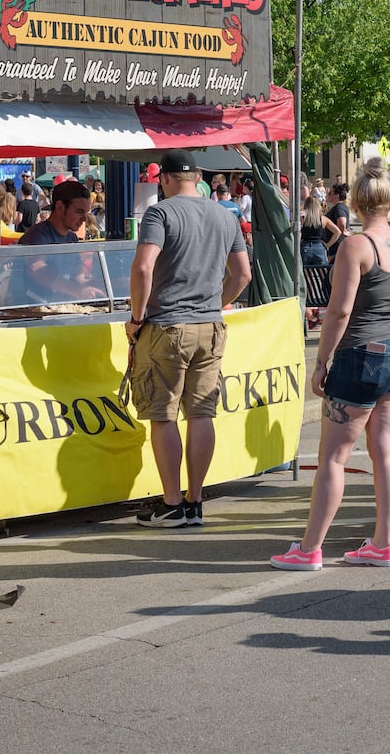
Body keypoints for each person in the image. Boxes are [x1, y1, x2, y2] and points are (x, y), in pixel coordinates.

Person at [271, 159, 390, 570]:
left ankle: (309, 549)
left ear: (355, 202)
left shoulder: (355, 246)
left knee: (334, 457)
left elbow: (338, 311)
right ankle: (382, 544)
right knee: (386, 451)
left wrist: (322, 361)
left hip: (362, 353)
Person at [129, 149, 252, 529]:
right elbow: (243, 275)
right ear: (197, 177)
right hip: (210, 326)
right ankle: (195, 499)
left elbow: (143, 266)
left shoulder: (160, 213)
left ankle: (170, 503)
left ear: (164, 179)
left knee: (163, 414)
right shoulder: (224, 214)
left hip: (167, 325)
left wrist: (136, 317)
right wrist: (215, 302)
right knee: (201, 413)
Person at [18, 180, 106, 301]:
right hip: (34, 309)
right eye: (79, 211)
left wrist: (94, 286)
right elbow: (36, 268)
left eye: (87, 212)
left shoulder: (71, 238)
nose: (84, 219)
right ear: (60, 206)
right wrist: (76, 289)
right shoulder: (38, 235)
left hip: (59, 307)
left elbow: (78, 275)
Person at [324, 182, 351, 252]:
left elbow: (342, 222)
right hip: (337, 244)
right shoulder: (339, 207)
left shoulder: (339, 207)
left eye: (330, 193)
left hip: (336, 245)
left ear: (337, 196)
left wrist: (341, 231)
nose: (328, 195)